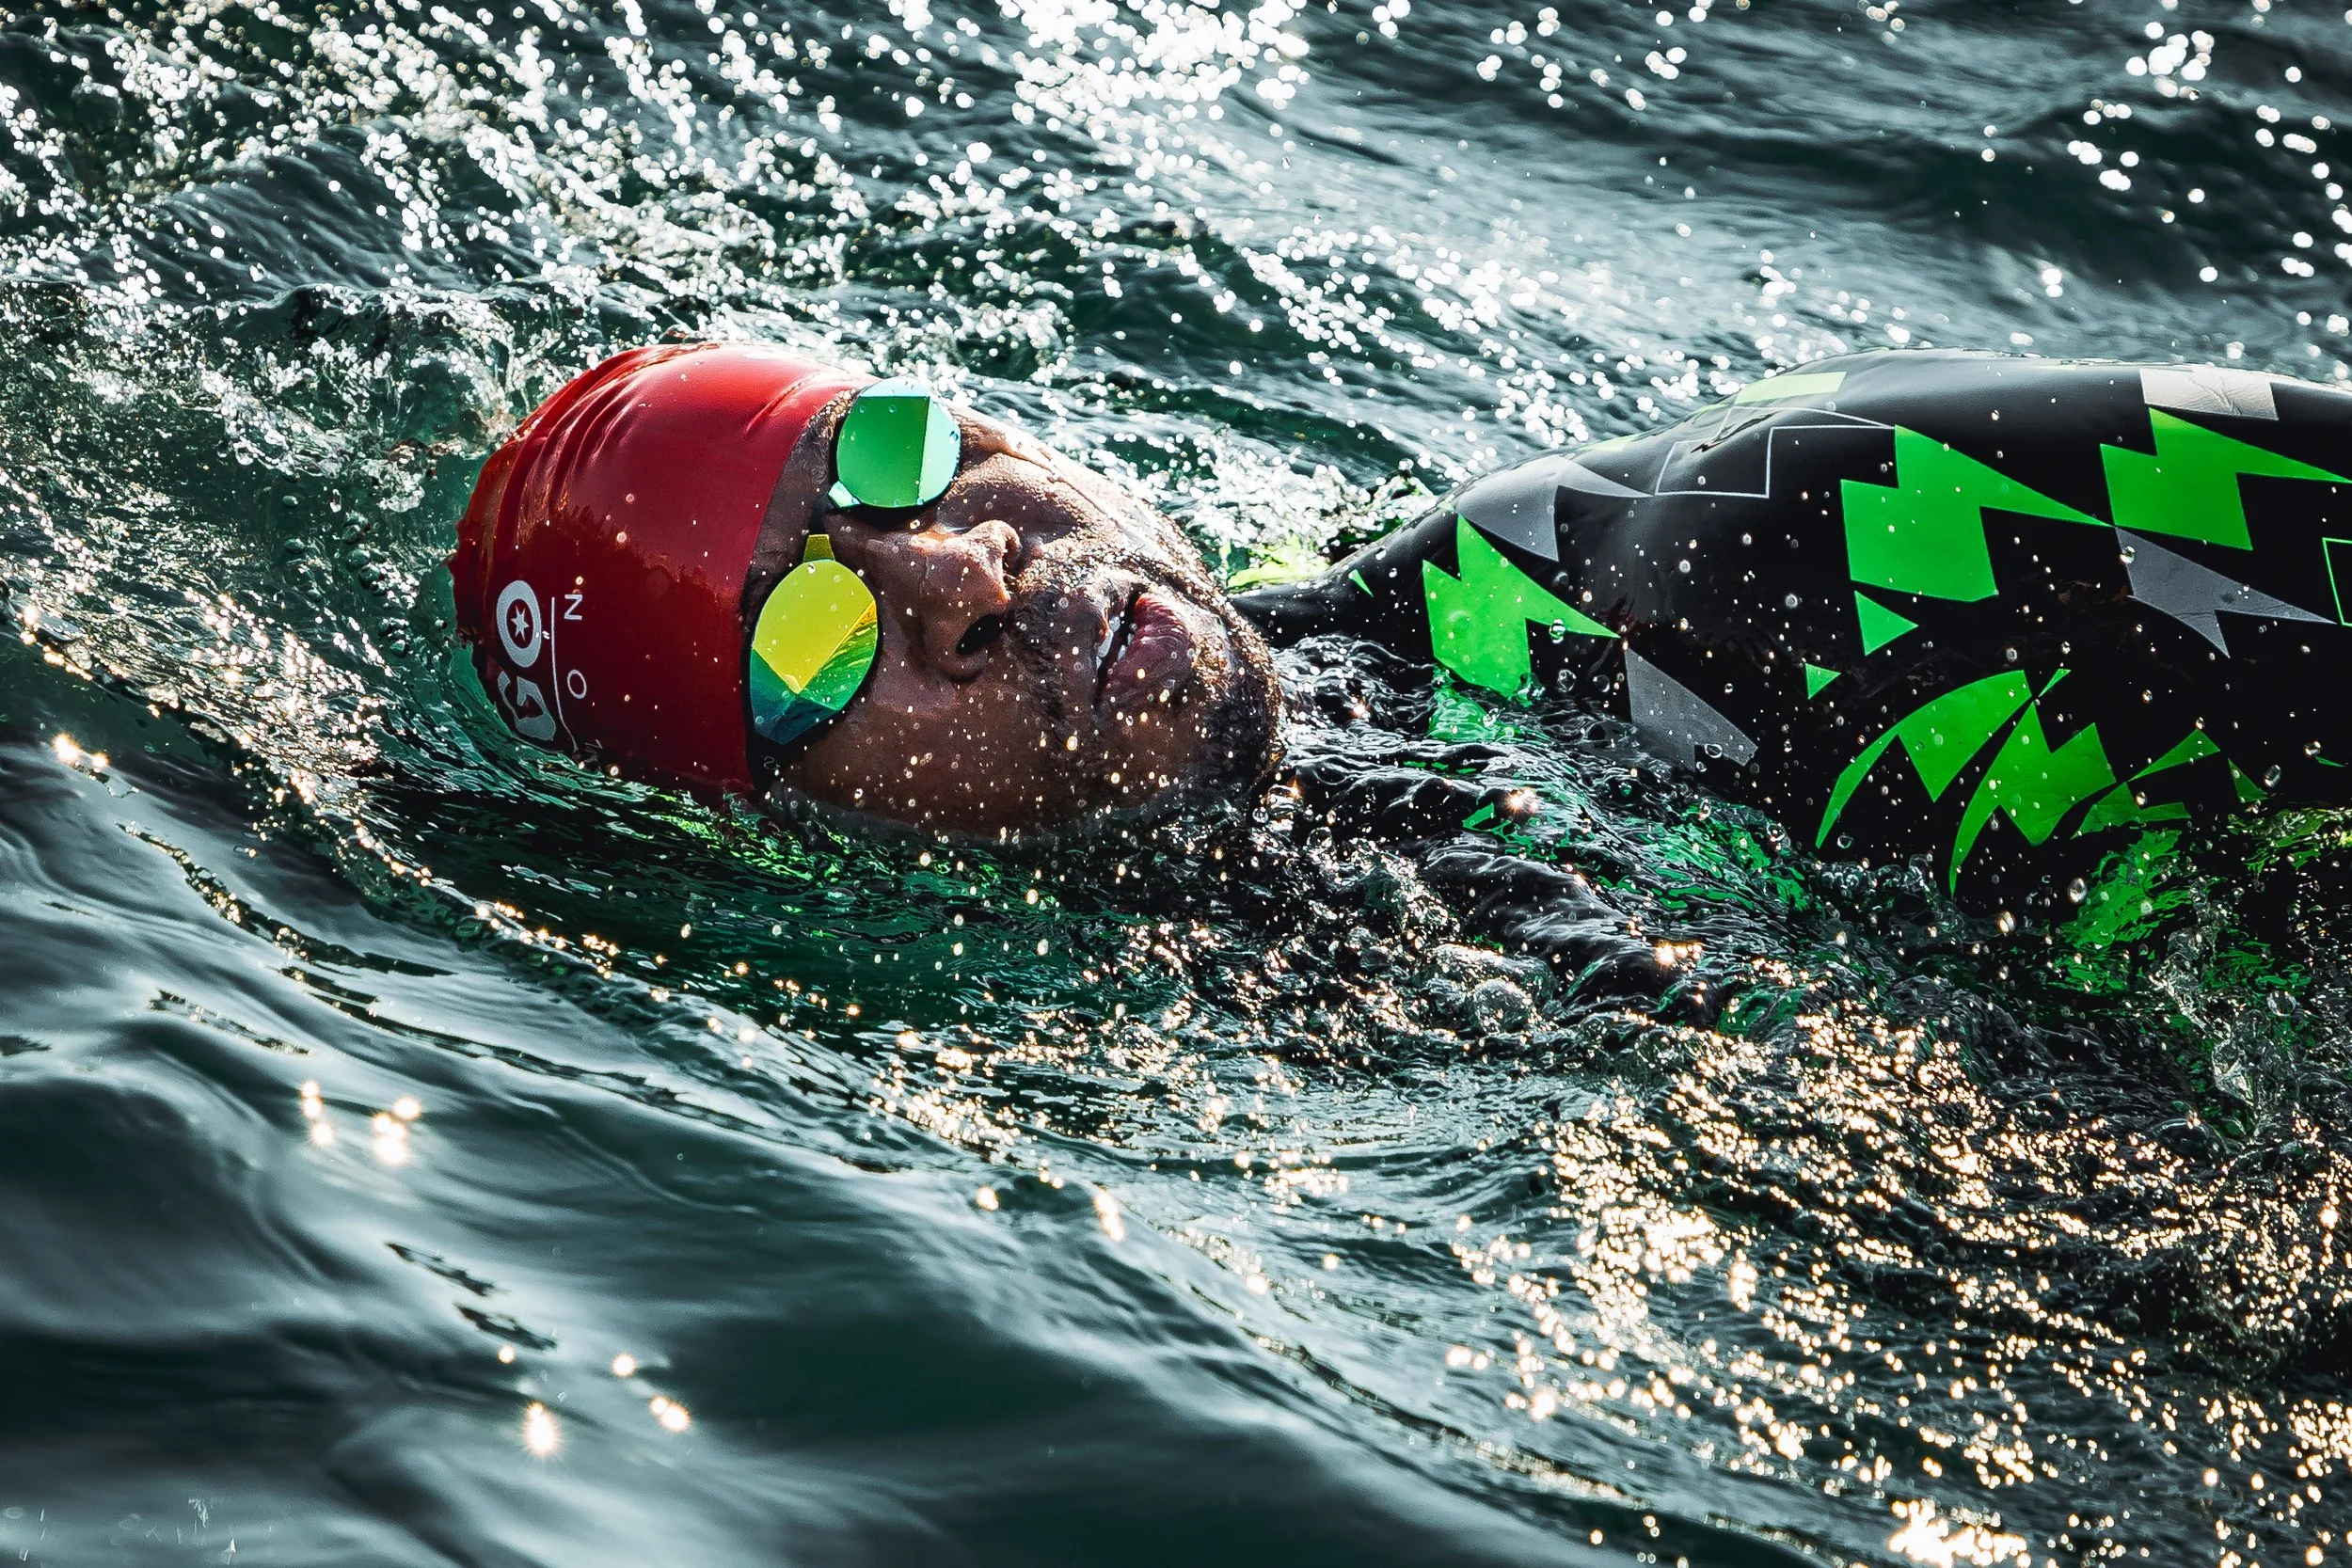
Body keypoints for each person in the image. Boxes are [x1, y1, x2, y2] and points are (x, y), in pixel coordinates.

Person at [452, 341, 2352, 908]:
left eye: (900, 463)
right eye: (808, 639)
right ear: (772, 825)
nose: (960, 576)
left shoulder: (1759, 557)